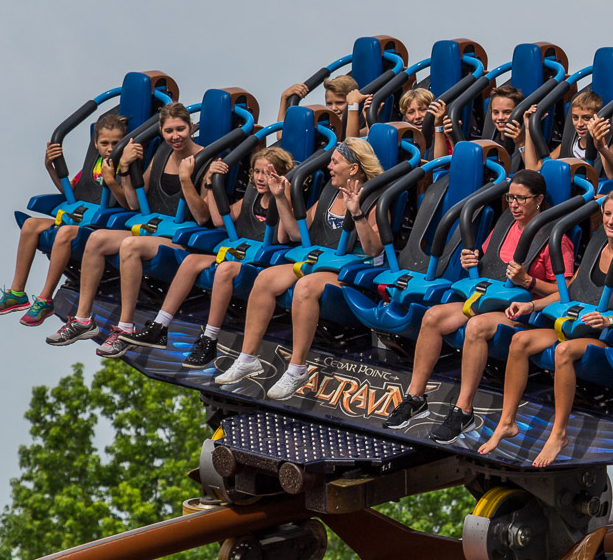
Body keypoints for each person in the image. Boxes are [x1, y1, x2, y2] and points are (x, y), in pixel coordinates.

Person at [381, 169, 575, 443]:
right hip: (489, 298)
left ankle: (464, 410)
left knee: (476, 326)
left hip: (521, 310)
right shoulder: (505, 224)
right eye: (510, 198)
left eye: (522, 199)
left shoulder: (556, 239)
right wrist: (472, 260)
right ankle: (415, 397)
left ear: (539, 200)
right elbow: (489, 261)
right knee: (433, 316)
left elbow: (566, 292)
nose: (514, 205)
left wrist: (529, 281)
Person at [478, 188, 613, 467]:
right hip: (576, 324)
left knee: (563, 352)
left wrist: (607, 320)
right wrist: (532, 305)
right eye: (607, 214)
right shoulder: (598, 245)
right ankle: (506, 422)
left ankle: (559, 434)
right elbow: (570, 290)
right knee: (520, 342)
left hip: (608, 337)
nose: (611, 221)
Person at [213, 139, 385, 395]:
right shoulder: (330, 191)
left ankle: (297, 369)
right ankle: (248, 358)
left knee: (304, 286)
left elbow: (374, 249)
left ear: (353, 169)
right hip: (322, 262)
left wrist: (357, 213)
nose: (328, 167)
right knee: (266, 279)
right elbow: (295, 233)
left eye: (335, 162)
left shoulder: (374, 198)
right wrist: (281, 197)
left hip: (353, 273)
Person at [44, 103, 208, 352]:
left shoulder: (206, 157)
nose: (175, 136)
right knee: (97, 238)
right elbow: (133, 201)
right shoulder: (162, 153)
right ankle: (82, 319)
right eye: (169, 131)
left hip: (182, 235)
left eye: (181, 129)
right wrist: (123, 170)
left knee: (130, 245)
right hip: (151, 228)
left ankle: (126, 327)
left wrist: (186, 179)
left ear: (191, 127)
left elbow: (203, 217)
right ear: (161, 132)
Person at [114, 146, 297, 365]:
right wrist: (210, 185)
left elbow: (284, 237)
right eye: (257, 172)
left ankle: (209, 340)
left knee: (224, 269)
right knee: (191, 260)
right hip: (240, 254)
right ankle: (159, 327)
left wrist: (281, 196)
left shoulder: (283, 200)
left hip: (261, 263)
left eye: (267, 173)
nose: (260, 178)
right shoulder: (252, 196)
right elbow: (220, 221)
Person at [0, 114, 131, 326]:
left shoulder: (125, 167)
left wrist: (111, 181)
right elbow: (71, 192)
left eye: (115, 143)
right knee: (30, 225)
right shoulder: (94, 165)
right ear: (95, 144)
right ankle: (16, 293)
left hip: (103, 225)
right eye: (104, 143)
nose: (110, 148)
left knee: (64, 233)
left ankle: (45, 299)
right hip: (82, 217)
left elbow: (129, 204)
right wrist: (51, 168)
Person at [429, 83, 522, 158]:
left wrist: (521, 143)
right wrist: (452, 137)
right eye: (496, 112)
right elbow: (463, 163)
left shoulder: (522, 139)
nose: (500, 117)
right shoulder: (491, 139)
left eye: (507, 112)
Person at [277, 74, 369, 138]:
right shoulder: (323, 123)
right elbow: (282, 135)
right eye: (329, 103)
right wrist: (284, 98)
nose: (333, 108)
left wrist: (353, 105)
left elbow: (353, 139)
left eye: (340, 103)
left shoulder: (359, 122)